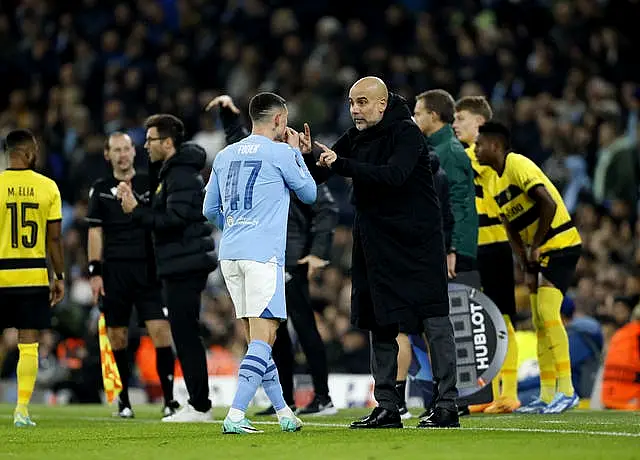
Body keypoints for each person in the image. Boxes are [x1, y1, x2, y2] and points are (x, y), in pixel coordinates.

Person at [309, 76, 457, 429]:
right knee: (381, 323)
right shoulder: (358, 134)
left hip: (416, 243)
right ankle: (388, 406)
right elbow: (320, 174)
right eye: (350, 102)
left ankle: (448, 404)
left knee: (433, 320)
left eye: (362, 102)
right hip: (375, 241)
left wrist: (338, 163)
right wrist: (305, 154)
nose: (355, 109)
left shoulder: (405, 132)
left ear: (381, 104)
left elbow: (393, 175)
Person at [206, 94, 339, 417]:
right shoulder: (281, 152)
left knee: (258, 335)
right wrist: (296, 154)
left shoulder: (224, 155)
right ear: (279, 120)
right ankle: (236, 414)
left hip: (231, 254)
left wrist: (236, 227)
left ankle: (283, 410)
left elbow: (209, 209)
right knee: (267, 337)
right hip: (263, 255)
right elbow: (309, 194)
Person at [475, 121, 583, 414]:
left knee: (548, 314)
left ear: (495, 145)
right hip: (536, 254)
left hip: (560, 244)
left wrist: (535, 245)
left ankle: (568, 390)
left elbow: (546, 202)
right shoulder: (495, 181)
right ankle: (548, 395)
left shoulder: (518, 164)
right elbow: (509, 225)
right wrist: (523, 258)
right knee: (538, 320)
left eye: (480, 144)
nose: (476, 149)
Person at [117, 114, 217, 422]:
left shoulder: (182, 176)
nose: (145, 145)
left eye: (151, 140)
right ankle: (197, 402)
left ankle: (200, 405)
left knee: (186, 334)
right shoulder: (172, 172)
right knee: (184, 333)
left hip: (185, 264)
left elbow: (174, 220)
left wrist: (136, 211)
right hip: (179, 263)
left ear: (168, 143)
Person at [86, 132, 178, 418]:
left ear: (134, 152)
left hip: (149, 270)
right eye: (116, 150)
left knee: (161, 332)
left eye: (126, 148)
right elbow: (95, 231)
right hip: (115, 271)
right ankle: (124, 401)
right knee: (117, 336)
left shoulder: (150, 182)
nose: (122, 154)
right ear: (107, 154)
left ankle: (169, 400)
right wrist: (95, 271)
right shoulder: (100, 189)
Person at [453, 96, 520, 414]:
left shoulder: (481, 155)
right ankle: (487, 393)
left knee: (502, 319)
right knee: (478, 321)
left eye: (461, 118)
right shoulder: (467, 155)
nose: (455, 125)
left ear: (479, 124)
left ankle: (510, 392)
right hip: (473, 247)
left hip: (493, 243)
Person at [0, 129, 65, 427]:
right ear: (27, 152)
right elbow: (54, 239)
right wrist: (60, 276)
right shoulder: (47, 187)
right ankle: (21, 410)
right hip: (32, 276)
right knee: (29, 343)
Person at [395, 152, 454, 419]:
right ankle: (443, 401)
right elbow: (452, 214)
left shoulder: (401, 172)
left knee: (401, 330)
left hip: (406, 257)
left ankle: (399, 402)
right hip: (433, 256)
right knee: (435, 329)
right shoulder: (436, 173)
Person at [413, 89, 479, 287]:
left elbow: (459, 204)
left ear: (433, 116)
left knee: (459, 314)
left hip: (455, 253)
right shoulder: (433, 149)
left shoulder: (450, 151)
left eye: (417, 114)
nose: (413, 118)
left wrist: (452, 249)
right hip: (440, 245)